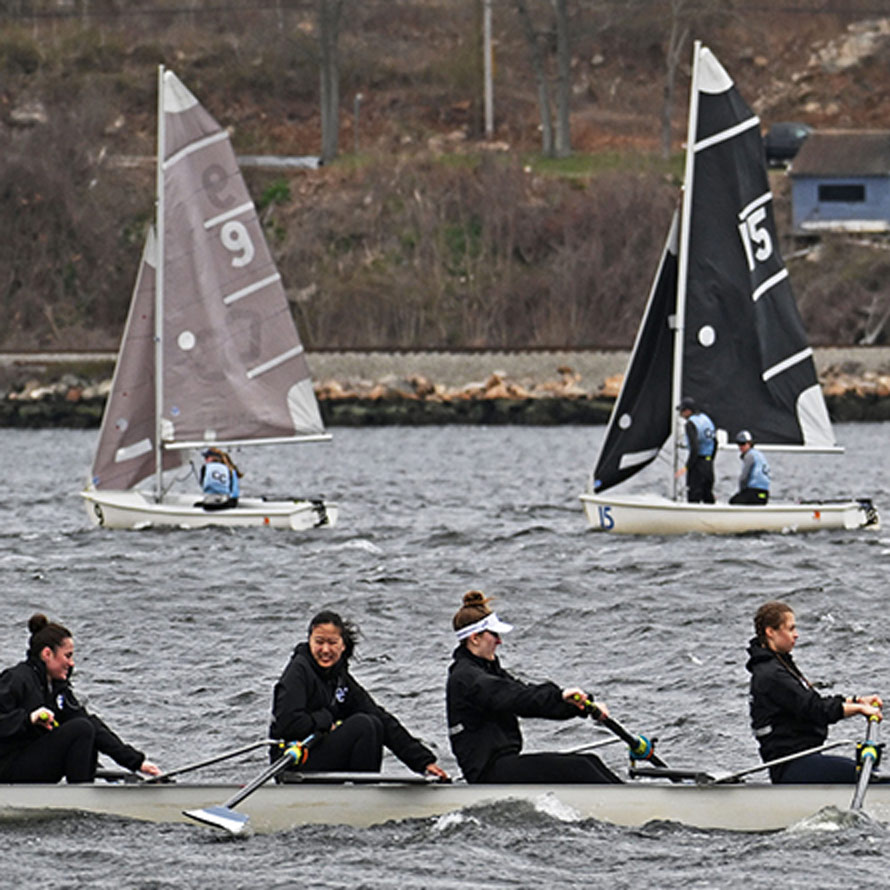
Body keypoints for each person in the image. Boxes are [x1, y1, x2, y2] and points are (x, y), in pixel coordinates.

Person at [446, 590, 622, 784]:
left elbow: (528, 695)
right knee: (580, 767)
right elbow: (519, 698)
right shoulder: (468, 678)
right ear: (475, 638)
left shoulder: (488, 671)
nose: (499, 641)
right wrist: (560, 695)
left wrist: (579, 706)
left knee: (591, 761)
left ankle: (632, 797)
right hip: (488, 772)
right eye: (494, 634)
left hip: (504, 765)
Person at [269, 610, 448, 781]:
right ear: (309, 641)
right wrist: (324, 719)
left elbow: (379, 716)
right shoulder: (298, 672)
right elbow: (288, 723)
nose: (325, 649)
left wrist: (423, 761)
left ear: (343, 645)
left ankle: (365, 792)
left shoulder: (340, 677)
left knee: (375, 723)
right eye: (319, 642)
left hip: (317, 753)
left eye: (332, 643)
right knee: (363, 726)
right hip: (293, 762)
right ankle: (363, 793)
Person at [0, 614, 161, 784]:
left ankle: (84, 793)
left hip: (28, 764)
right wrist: (28, 719)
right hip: (6, 768)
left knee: (87, 730)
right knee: (81, 729)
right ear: (47, 654)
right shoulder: (16, 678)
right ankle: (81, 797)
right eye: (67, 656)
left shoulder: (57, 689)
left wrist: (136, 762)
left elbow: (92, 725)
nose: (72, 663)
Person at [746, 600, 882, 783]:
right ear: (771, 632)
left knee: (870, 771)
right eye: (791, 629)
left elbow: (810, 702)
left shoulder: (779, 664)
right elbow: (817, 710)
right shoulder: (771, 675)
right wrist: (860, 710)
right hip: (791, 765)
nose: (796, 635)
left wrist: (856, 700)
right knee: (870, 777)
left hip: (802, 758)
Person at [676, 396, 716, 503]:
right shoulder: (706, 419)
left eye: (682, 411)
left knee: (694, 493)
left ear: (688, 411)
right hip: (708, 463)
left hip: (697, 464)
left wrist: (687, 467)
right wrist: (710, 460)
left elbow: (694, 448)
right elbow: (715, 442)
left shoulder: (691, 424)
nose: (681, 415)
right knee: (707, 493)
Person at [729, 430, 770, 505]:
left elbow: (744, 478)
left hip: (754, 492)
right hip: (764, 494)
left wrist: (741, 492)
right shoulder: (760, 455)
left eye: (743, 444)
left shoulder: (749, 456)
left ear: (750, 443)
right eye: (739, 444)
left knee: (733, 501)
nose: (741, 447)